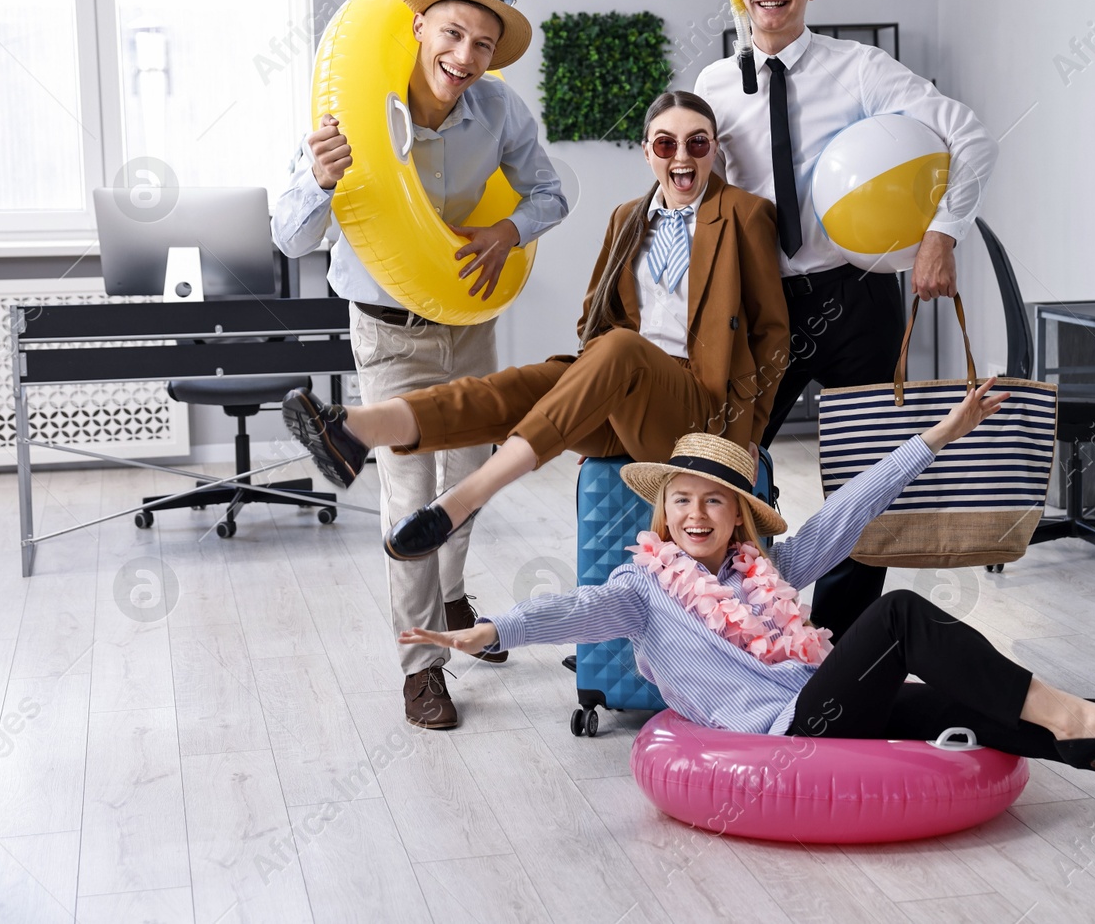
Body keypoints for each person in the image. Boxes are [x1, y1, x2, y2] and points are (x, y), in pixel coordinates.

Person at [399, 381, 1095, 788]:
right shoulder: (644, 589)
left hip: (821, 699)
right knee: (896, 613)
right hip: (789, 728)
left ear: (741, 517)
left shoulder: (768, 568)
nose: (699, 513)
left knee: (984, 717)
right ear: (663, 512)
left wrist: (938, 433)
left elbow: (849, 511)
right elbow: (572, 608)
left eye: (717, 500)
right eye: (683, 499)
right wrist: (493, 631)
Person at [285, 91, 790, 725]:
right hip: (626, 390)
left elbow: (774, 337)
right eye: (666, 143)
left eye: (697, 143)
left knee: (620, 352)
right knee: (527, 383)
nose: (682, 157)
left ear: (714, 151)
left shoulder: (745, 216)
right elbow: (595, 318)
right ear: (647, 152)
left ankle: (466, 494)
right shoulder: (628, 217)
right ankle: (356, 426)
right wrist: (584, 378)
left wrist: (741, 437)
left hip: (696, 412)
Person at [273, 0, 569, 727]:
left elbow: (550, 193)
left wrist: (508, 230)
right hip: (388, 332)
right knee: (407, 498)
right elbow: (290, 237)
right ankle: (421, 665)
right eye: (452, 33)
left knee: (470, 478)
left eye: (481, 42)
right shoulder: (352, 110)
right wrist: (318, 179)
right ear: (419, 29)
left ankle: (454, 590)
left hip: (468, 324)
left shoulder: (499, 110)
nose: (464, 55)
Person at [695, 0, 999, 641]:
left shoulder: (858, 68)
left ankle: (840, 643)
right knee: (726, 466)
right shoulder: (714, 82)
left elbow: (971, 136)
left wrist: (941, 234)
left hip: (857, 294)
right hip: (763, 302)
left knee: (865, 482)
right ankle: (725, 622)